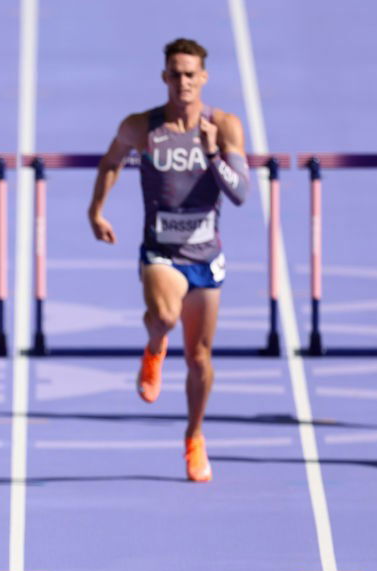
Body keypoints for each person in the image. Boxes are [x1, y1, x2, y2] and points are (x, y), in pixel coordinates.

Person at [88, 38, 249, 482]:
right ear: (165, 77)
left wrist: (214, 151)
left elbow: (240, 193)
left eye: (190, 74)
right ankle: (155, 345)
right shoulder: (143, 126)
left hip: (206, 256)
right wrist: (96, 210)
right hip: (161, 250)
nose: (183, 82)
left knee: (199, 358)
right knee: (163, 315)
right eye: (175, 73)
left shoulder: (227, 125)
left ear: (204, 78)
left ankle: (194, 435)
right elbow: (111, 161)